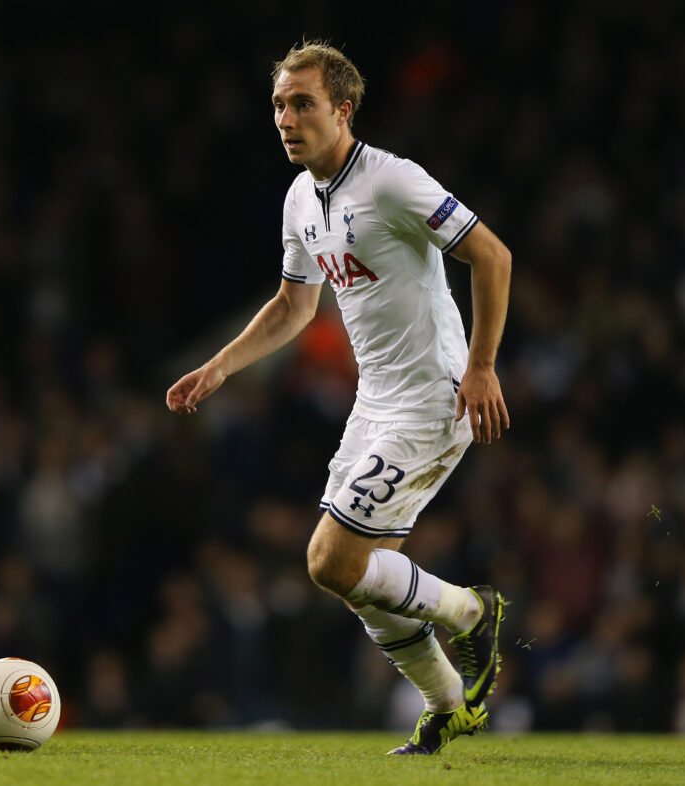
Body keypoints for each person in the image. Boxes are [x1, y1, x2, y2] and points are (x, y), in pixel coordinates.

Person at [166, 41, 512, 755]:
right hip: (376, 402)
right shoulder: (301, 197)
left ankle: (472, 613)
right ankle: (452, 707)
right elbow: (294, 306)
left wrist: (481, 367)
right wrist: (223, 367)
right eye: (278, 106)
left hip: (432, 398)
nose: (285, 119)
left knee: (327, 561)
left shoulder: (391, 181)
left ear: (342, 110)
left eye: (302, 104)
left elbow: (493, 255)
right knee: (362, 583)